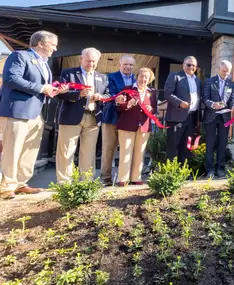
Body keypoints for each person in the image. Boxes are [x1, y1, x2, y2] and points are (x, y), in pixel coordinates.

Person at [0, 30, 62, 199]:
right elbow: (11, 79)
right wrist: (41, 88)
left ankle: (21, 183)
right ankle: (7, 186)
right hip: (16, 110)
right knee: (13, 148)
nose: (55, 49)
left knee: (30, 149)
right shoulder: (19, 56)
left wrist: (51, 91)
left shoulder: (45, 63)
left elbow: (41, 87)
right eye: (53, 45)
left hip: (35, 112)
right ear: (41, 43)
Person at [55, 47, 109, 183]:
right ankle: (64, 183)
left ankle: (86, 182)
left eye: (94, 61)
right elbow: (60, 93)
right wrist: (78, 94)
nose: (91, 64)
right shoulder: (69, 74)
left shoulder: (102, 77)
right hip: (71, 116)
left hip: (93, 117)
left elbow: (109, 94)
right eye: (88, 61)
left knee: (88, 152)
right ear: (81, 59)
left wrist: (101, 96)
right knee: (66, 151)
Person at [114, 67, 157, 186]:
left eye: (146, 77)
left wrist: (151, 109)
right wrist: (127, 104)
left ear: (149, 79)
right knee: (125, 151)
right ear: (137, 76)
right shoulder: (127, 89)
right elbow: (119, 107)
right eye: (141, 76)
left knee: (140, 152)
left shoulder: (152, 92)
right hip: (127, 125)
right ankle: (122, 179)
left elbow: (155, 109)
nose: (143, 79)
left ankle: (135, 177)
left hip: (143, 126)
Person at [100, 55, 135, 185]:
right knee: (109, 149)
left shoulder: (136, 79)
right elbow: (110, 93)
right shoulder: (110, 77)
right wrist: (118, 99)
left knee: (127, 149)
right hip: (111, 117)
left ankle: (124, 178)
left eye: (131, 65)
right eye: (125, 64)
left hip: (128, 119)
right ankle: (106, 179)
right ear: (119, 65)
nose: (128, 67)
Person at [202, 60, 234, 178]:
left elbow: (232, 100)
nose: (226, 74)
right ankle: (210, 169)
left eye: (228, 72)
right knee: (210, 144)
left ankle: (220, 168)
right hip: (211, 117)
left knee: (222, 144)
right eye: (224, 71)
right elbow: (205, 99)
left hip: (225, 117)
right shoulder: (209, 81)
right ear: (219, 69)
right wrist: (213, 105)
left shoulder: (231, 84)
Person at [164, 56, 202, 163]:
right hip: (176, 117)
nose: (191, 67)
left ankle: (182, 172)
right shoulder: (175, 76)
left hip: (191, 117)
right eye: (188, 64)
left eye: (194, 65)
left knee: (186, 146)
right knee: (173, 146)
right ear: (183, 65)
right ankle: (171, 172)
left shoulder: (198, 81)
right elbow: (167, 93)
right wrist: (179, 103)